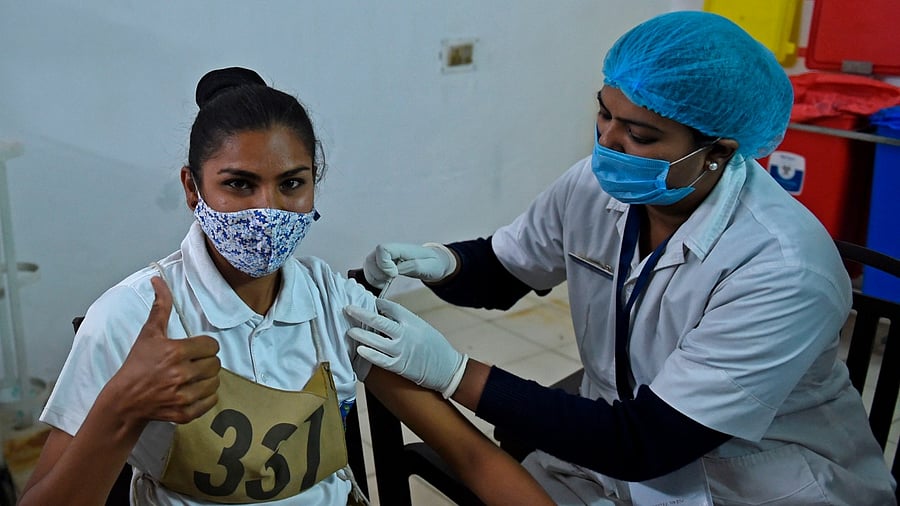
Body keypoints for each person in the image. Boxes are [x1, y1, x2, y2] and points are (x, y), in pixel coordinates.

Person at [345, 11, 897, 505]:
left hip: (756, 479)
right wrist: (443, 262)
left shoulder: (783, 268)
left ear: (719, 153)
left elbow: (647, 441)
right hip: (611, 453)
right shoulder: (593, 186)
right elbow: (505, 268)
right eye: (604, 114)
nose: (607, 142)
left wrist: (453, 372)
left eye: (639, 134)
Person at [18, 67, 554, 506]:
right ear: (192, 187)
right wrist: (122, 408)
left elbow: (472, 456)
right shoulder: (135, 317)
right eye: (238, 184)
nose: (267, 211)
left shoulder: (335, 306)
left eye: (291, 183)